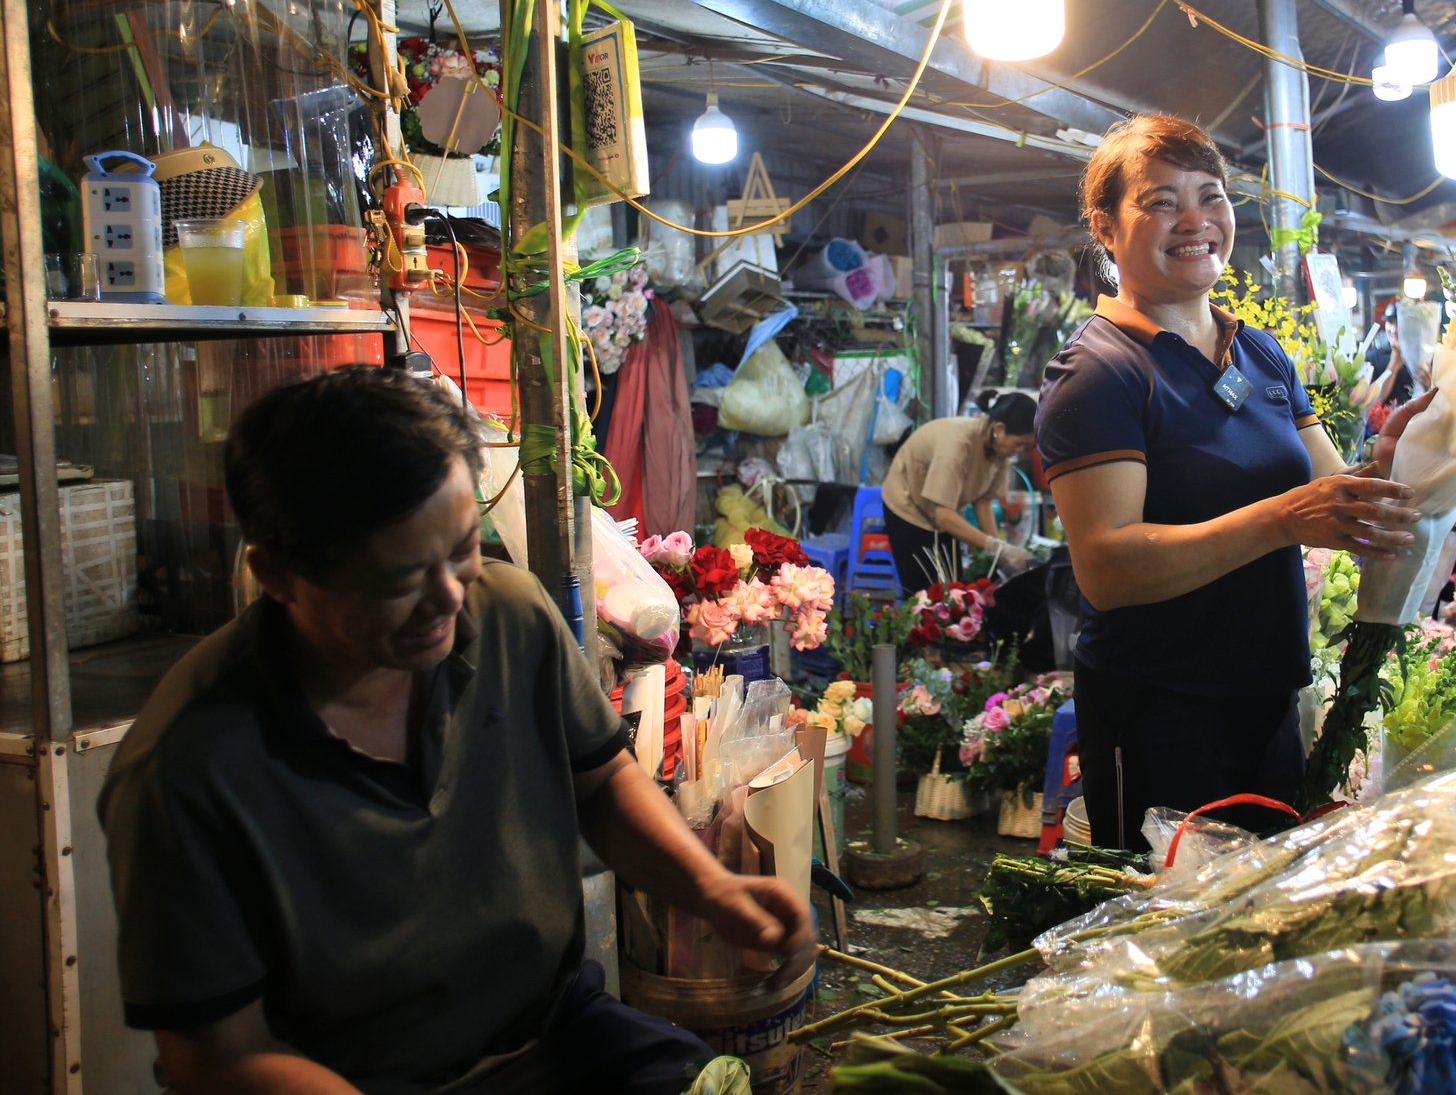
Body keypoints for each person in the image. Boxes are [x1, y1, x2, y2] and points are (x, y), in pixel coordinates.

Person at [99, 368, 811, 1095]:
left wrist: (713, 890)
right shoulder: (187, 768)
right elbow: (215, 1059)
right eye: (399, 578)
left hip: (557, 1034)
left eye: (462, 548)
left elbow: (601, 782)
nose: (447, 600)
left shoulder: (509, 615)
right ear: (278, 574)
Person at [1037, 114, 1428, 848]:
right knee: (1168, 937)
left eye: (1210, 196)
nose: (1196, 221)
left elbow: (1330, 493)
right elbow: (1108, 568)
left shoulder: (1259, 353)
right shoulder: (1100, 372)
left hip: (1267, 695)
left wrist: (1397, 461)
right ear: (1106, 228)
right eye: (1160, 201)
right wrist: (1281, 521)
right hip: (1159, 709)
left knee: (1251, 928)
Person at [880, 392, 1036, 591]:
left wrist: (999, 555)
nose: (1020, 450)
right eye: (1019, 443)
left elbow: (983, 501)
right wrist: (997, 547)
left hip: (941, 512)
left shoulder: (1001, 451)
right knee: (926, 593)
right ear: (999, 429)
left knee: (955, 590)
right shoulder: (957, 445)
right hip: (908, 506)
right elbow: (944, 516)